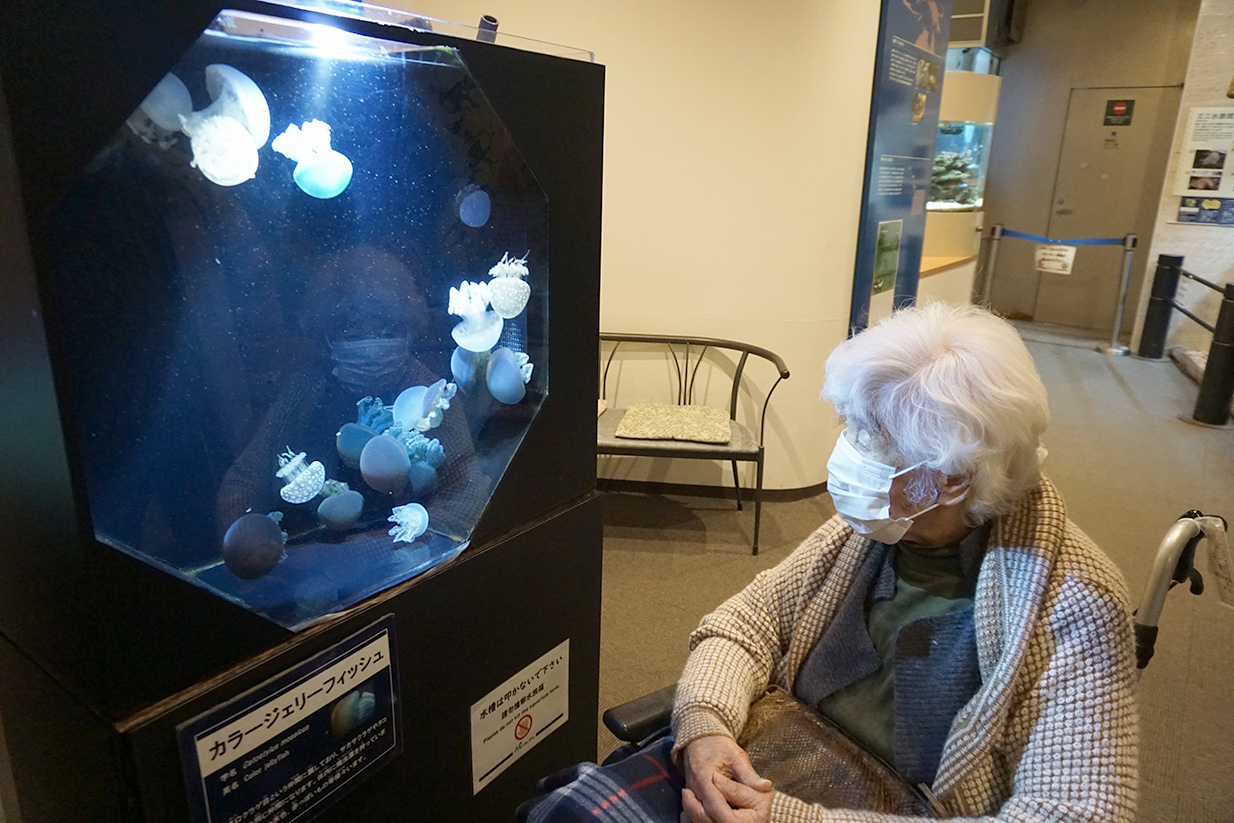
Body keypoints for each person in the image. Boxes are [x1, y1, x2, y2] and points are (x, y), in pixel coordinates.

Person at [519, 303, 1137, 823]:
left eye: (873, 441)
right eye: (853, 427)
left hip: (891, 806)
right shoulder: (876, 528)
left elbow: (1073, 812)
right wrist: (705, 727)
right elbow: (746, 622)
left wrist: (790, 818)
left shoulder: (1076, 599)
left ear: (952, 480)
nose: (848, 452)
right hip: (779, 749)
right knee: (564, 811)